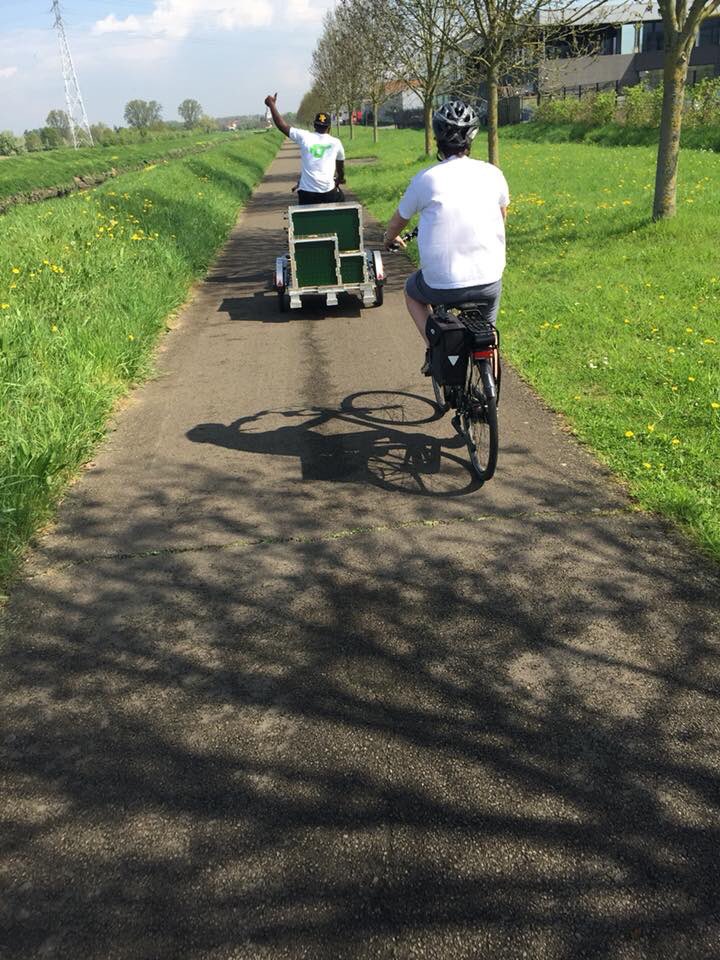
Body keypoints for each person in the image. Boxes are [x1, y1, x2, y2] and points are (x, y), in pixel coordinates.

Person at [382, 100, 509, 373]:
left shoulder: (425, 179)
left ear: (437, 138)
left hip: (440, 283)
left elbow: (398, 221)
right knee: (489, 332)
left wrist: (389, 238)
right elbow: (502, 218)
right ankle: (490, 378)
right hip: (488, 278)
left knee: (412, 292)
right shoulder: (494, 174)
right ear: (472, 137)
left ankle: (436, 347)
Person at [264, 93, 346, 205]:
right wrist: (340, 178)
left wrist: (271, 104)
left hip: (307, 194)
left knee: (304, 201)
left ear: (314, 125)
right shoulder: (336, 143)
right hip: (328, 193)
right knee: (341, 199)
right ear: (329, 128)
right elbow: (340, 167)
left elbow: (282, 125)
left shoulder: (304, 136)